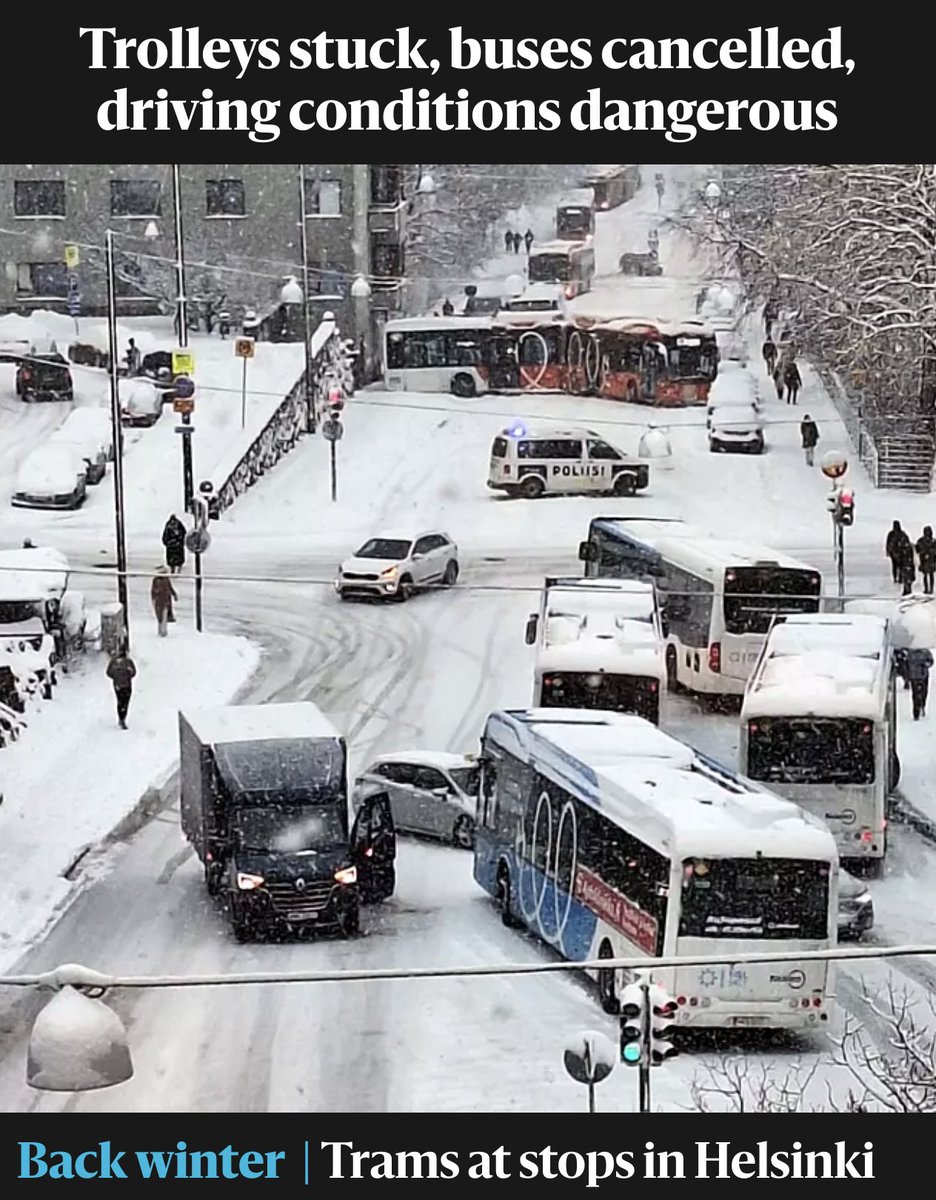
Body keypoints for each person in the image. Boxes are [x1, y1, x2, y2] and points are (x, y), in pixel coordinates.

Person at [106, 644, 136, 730]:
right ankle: (122, 718)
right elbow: (133, 673)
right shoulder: (128, 662)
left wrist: (115, 677)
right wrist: (127, 675)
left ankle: (121, 717)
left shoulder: (114, 662)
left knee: (120, 701)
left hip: (117, 685)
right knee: (125, 702)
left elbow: (108, 672)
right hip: (127, 685)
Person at [905, 646, 934, 720]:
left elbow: (931, 661)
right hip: (914, 676)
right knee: (915, 694)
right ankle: (916, 712)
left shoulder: (925, 651)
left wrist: (927, 664)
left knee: (924, 692)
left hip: (923, 675)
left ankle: (922, 706)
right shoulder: (911, 652)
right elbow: (906, 664)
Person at [151, 566, 177, 637]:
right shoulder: (157, 580)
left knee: (164, 616)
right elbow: (153, 591)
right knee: (160, 616)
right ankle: (161, 630)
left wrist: (174, 594)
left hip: (165, 600)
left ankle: (163, 631)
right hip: (159, 601)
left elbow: (170, 587)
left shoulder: (165, 579)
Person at [161, 513, 186, 579]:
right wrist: (168, 543)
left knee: (178, 560)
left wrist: (181, 542)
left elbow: (184, 534)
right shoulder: (168, 527)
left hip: (177, 546)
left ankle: (178, 571)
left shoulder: (179, 527)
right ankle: (173, 571)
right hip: (172, 547)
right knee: (172, 561)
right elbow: (165, 537)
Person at [917, 525, 936, 595]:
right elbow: (917, 549)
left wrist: (931, 552)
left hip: (931, 560)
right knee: (925, 575)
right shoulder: (921, 541)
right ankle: (926, 588)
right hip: (924, 560)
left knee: (930, 575)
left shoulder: (933, 541)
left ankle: (930, 589)